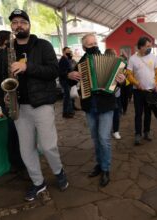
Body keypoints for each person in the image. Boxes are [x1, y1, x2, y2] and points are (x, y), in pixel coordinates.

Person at [7, 9, 68, 201]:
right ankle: (38, 183)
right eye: (15, 22)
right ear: (11, 26)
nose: (19, 25)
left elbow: (53, 71)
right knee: (26, 149)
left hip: (42, 104)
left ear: (29, 24)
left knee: (48, 146)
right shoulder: (7, 50)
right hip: (20, 107)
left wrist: (27, 67)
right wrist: (7, 96)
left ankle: (59, 172)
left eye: (22, 22)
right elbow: (3, 76)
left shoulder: (43, 45)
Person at [67, 34, 126, 187]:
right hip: (89, 105)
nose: (94, 45)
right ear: (84, 47)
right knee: (95, 137)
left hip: (106, 104)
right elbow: (70, 79)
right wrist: (70, 75)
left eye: (95, 43)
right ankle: (99, 165)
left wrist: (122, 81)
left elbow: (118, 83)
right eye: (90, 44)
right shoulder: (81, 62)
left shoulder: (110, 60)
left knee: (104, 138)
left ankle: (105, 169)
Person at [0, 30, 26, 175]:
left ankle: (17, 163)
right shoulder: (2, 56)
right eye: (11, 40)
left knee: (15, 133)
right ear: (6, 42)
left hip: (6, 98)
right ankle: (17, 163)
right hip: (8, 99)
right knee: (15, 133)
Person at [126, 36, 157, 145]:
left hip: (150, 90)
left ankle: (146, 132)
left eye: (150, 46)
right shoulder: (132, 59)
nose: (149, 48)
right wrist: (136, 84)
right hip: (138, 91)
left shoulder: (154, 57)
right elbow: (128, 74)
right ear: (140, 47)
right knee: (138, 113)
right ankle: (138, 134)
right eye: (147, 46)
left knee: (148, 113)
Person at [105, 48, 122, 140]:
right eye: (113, 56)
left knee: (116, 113)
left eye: (115, 55)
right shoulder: (103, 66)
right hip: (106, 96)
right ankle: (108, 131)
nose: (116, 57)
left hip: (116, 94)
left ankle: (116, 131)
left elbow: (122, 81)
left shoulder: (120, 66)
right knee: (107, 113)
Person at [59, 46, 75, 118]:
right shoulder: (62, 60)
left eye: (69, 51)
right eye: (67, 51)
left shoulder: (68, 59)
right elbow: (60, 72)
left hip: (68, 80)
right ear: (64, 52)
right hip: (64, 80)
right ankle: (65, 113)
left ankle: (70, 111)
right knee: (67, 97)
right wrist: (67, 74)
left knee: (69, 96)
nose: (69, 52)